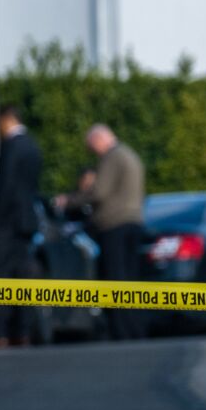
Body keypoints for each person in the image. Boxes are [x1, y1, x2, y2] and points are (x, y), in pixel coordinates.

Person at [57, 124, 146, 339]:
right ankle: (135, 330)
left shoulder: (112, 157)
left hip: (114, 226)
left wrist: (69, 201)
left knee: (115, 281)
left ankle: (122, 331)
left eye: (92, 147)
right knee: (131, 282)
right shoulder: (130, 155)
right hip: (134, 221)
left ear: (99, 140)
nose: (93, 153)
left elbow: (99, 192)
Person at [0, 104, 43, 348]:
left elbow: (5, 188)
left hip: (7, 223)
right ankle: (22, 331)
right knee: (23, 278)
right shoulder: (33, 146)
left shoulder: (11, 147)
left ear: (6, 120)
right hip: (26, 222)